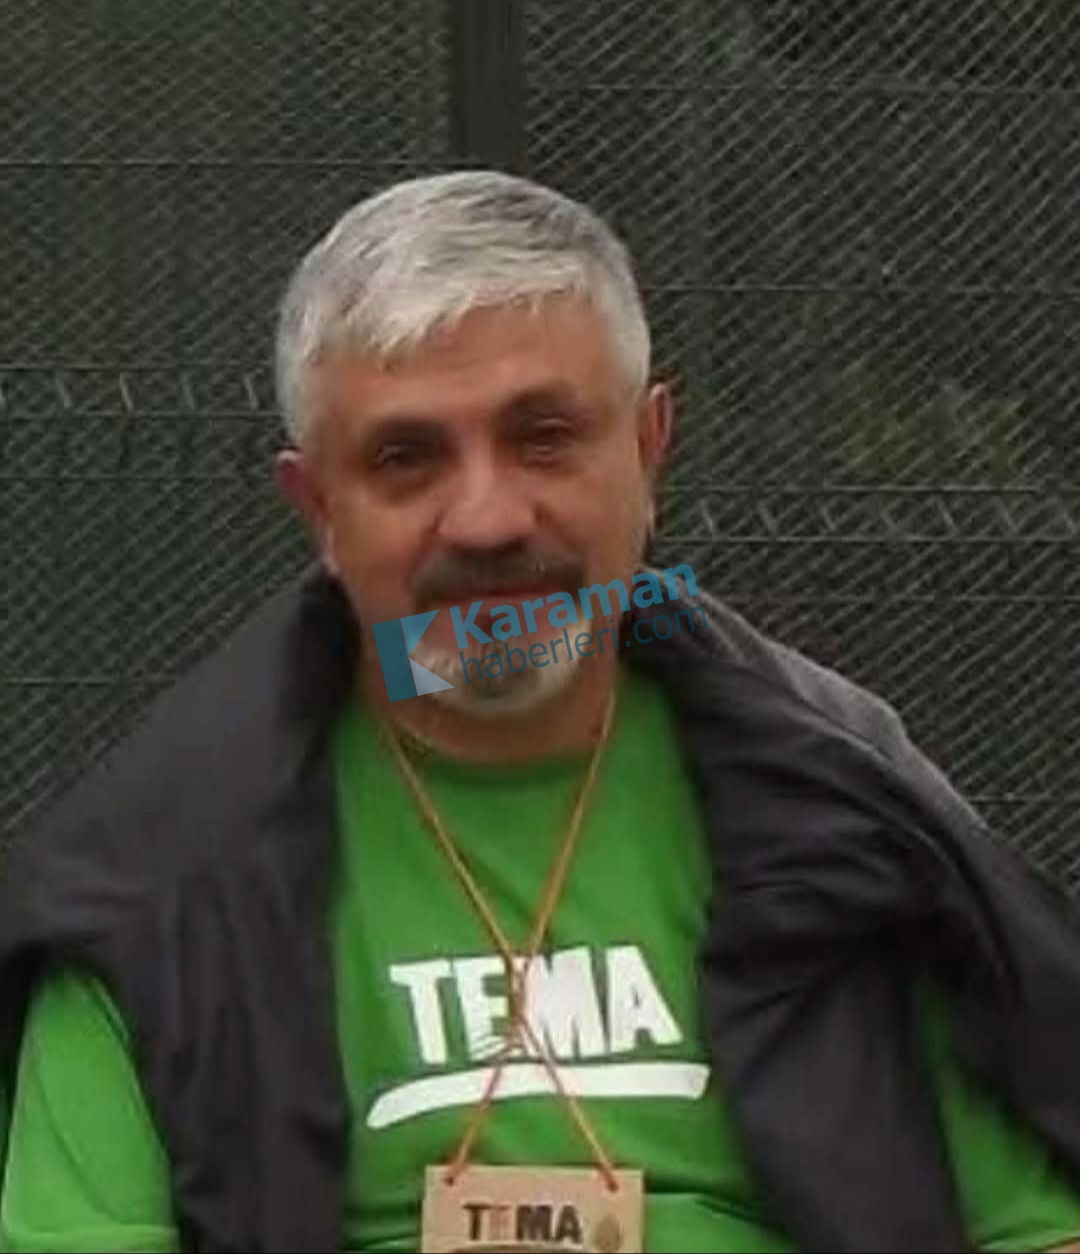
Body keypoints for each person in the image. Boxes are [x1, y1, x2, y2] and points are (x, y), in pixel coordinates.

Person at [2, 170, 1080, 1254]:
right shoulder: (157, 887)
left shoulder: (846, 816)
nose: (486, 520)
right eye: (406, 459)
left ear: (649, 450)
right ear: (320, 508)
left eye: (545, 435)